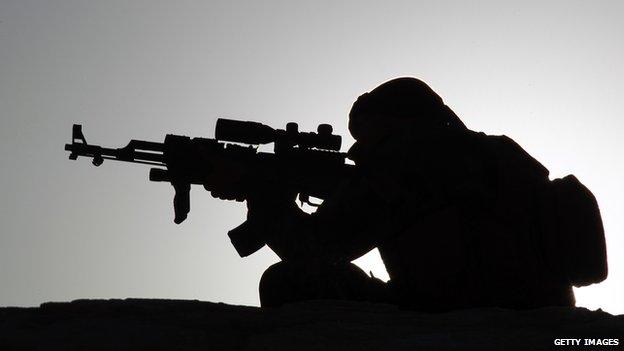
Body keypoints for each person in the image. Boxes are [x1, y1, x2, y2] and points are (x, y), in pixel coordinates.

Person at [209, 77, 606, 311]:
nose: (357, 150)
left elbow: (312, 248)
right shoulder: (497, 151)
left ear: (391, 123)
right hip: (543, 302)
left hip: (456, 310)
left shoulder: (407, 158)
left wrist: (259, 192)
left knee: (287, 283)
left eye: (365, 135)